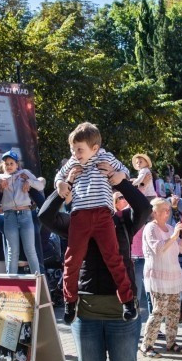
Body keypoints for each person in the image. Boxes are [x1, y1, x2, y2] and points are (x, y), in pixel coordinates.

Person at [40, 168, 150, 361]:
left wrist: (120, 181)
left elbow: (144, 207)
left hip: (121, 315)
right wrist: (63, 187)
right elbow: (45, 217)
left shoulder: (124, 222)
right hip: (85, 313)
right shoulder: (75, 223)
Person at [54, 122, 135, 323]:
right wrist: (61, 184)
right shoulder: (73, 162)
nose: (76, 153)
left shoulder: (105, 157)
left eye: (80, 149)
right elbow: (59, 176)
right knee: (71, 260)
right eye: (73, 149)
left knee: (113, 258)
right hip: (79, 215)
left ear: (94, 148)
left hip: (102, 216)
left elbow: (125, 171)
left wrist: (118, 175)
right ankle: (70, 301)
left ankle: (127, 300)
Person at [139, 198, 182, 356]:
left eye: (168, 209)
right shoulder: (150, 228)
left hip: (172, 276)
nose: (167, 213)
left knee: (174, 311)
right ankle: (146, 346)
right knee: (158, 312)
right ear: (154, 212)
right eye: (163, 210)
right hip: (158, 276)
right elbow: (159, 249)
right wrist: (175, 236)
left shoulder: (169, 227)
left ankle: (171, 342)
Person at [0, 151, 44, 275]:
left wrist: (29, 182)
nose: (9, 166)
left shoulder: (24, 173)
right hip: (9, 215)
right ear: (3, 165)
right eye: (6, 164)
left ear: (17, 164)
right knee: (12, 251)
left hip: (25, 214)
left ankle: (38, 279)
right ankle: (11, 282)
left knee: (30, 250)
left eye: (12, 163)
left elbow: (40, 186)